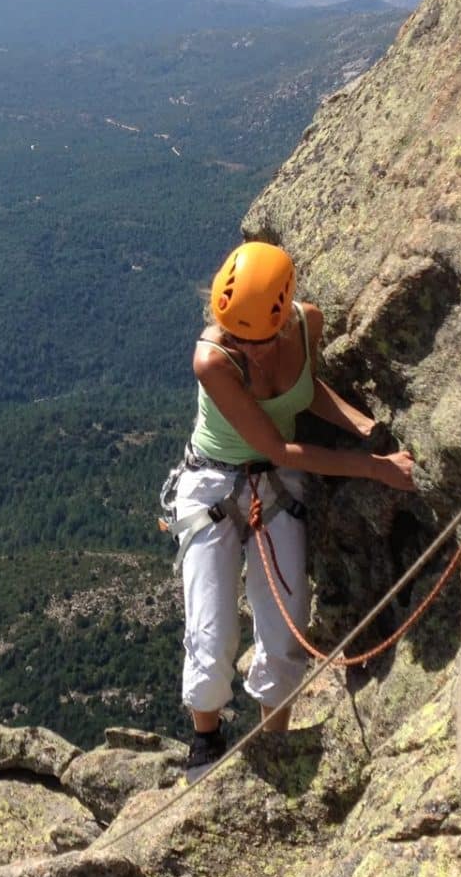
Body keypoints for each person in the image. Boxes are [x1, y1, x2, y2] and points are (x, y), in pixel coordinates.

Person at [165, 240, 415, 772]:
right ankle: (205, 738)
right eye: (239, 337)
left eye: (262, 339)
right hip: (214, 484)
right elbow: (276, 445)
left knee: (284, 633)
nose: (251, 349)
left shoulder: (306, 323)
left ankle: (271, 742)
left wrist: (362, 425)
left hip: (278, 484)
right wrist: (377, 468)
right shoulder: (212, 359)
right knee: (212, 638)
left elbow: (306, 390)